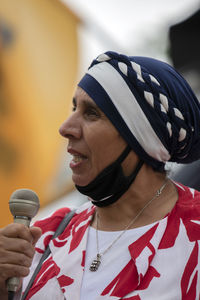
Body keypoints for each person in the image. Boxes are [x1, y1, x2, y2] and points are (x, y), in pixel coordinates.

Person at [0, 51, 200, 300]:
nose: (66, 128)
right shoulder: (45, 238)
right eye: (74, 108)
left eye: (91, 113)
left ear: (141, 137)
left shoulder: (194, 235)